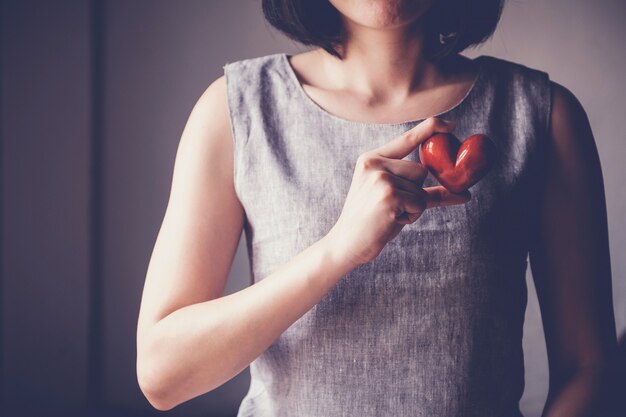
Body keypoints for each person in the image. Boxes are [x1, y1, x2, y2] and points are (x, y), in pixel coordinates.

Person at [135, 0, 619, 416]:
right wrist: (339, 250)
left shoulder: (541, 116)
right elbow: (163, 374)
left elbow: (587, 366)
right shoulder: (236, 112)